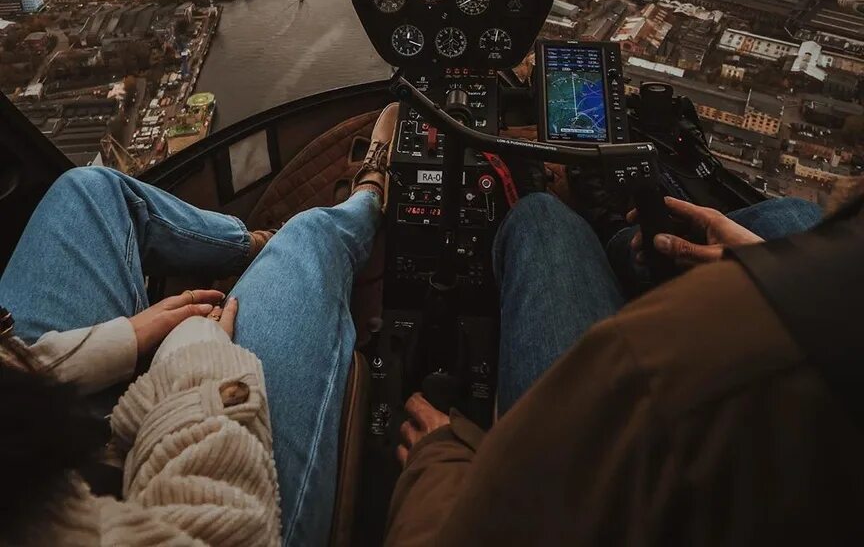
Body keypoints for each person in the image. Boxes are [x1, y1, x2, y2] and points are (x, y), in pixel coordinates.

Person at [0, 103, 399, 547]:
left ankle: (250, 244)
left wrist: (120, 342)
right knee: (308, 237)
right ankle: (367, 203)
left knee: (90, 191)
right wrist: (196, 357)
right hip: (166, 512)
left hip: (37, 445)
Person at [386, 187, 864, 545]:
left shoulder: (653, 359)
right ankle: (621, 241)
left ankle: (606, 234)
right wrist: (771, 262)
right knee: (795, 215)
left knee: (544, 216)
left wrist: (437, 461)